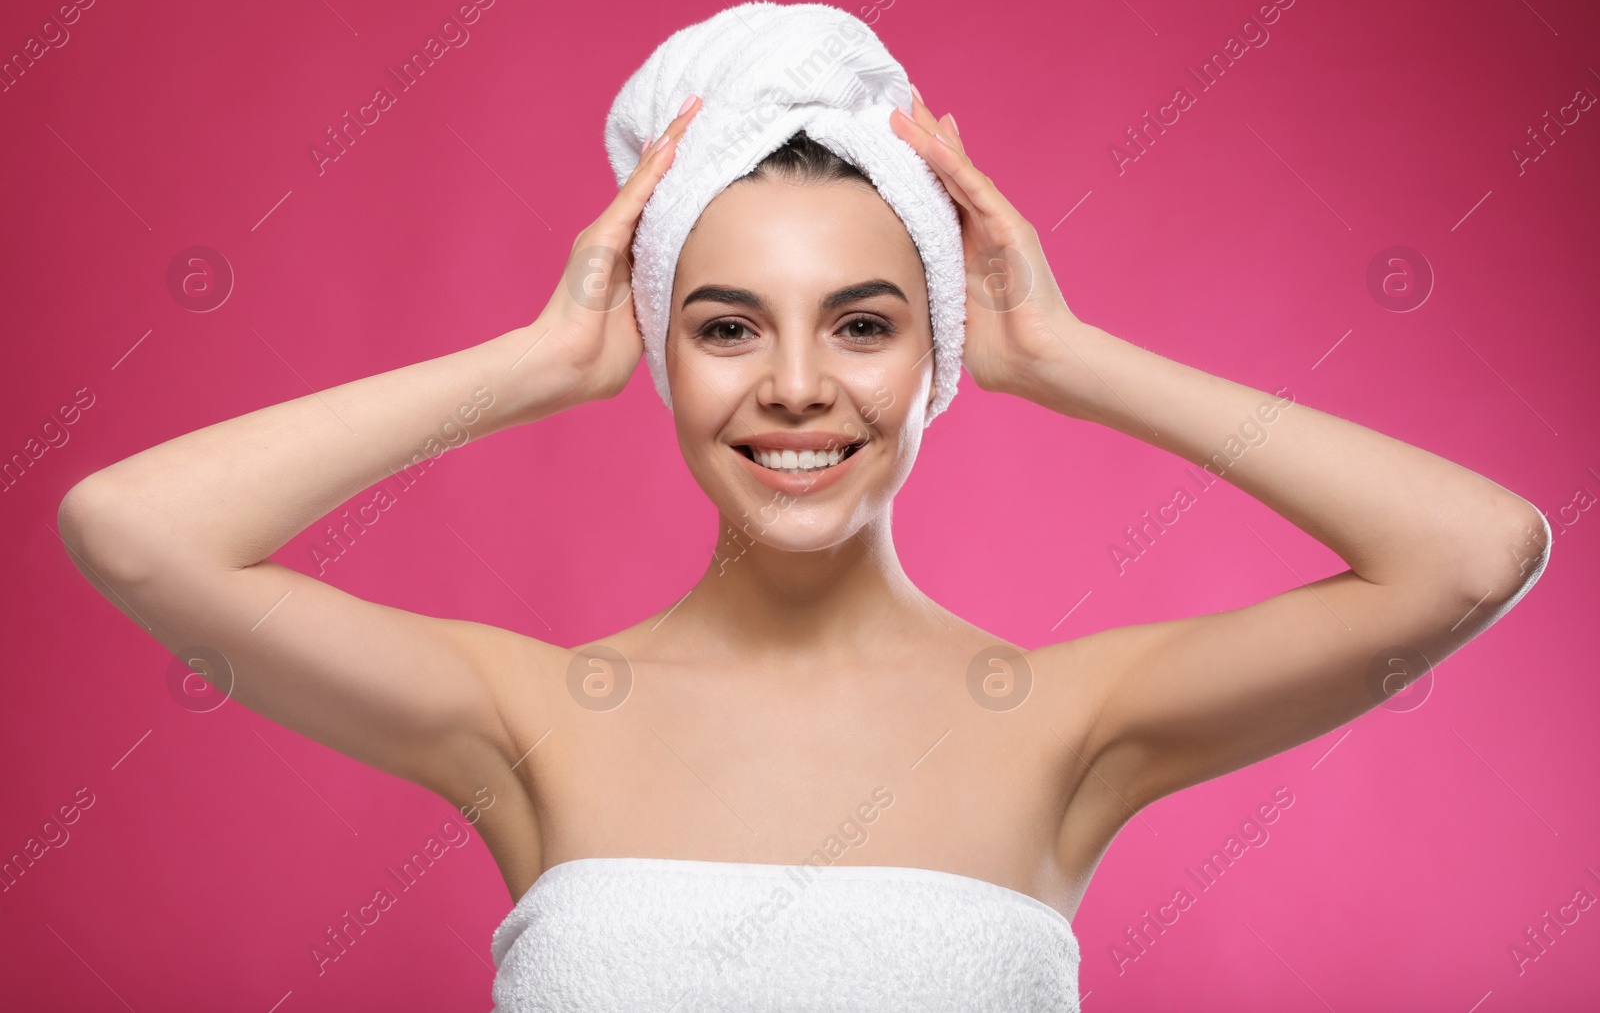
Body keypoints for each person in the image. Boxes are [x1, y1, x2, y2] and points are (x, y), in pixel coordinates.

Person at [56, 83, 1550, 1011]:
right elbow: (133, 532)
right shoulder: (524, 720)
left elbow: (1475, 554)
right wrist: (530, 362)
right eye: (721, 327)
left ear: (935, 352)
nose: (793, 386)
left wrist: (1069, 353)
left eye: (864, 323)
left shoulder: (1070, 726)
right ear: (658, 349)